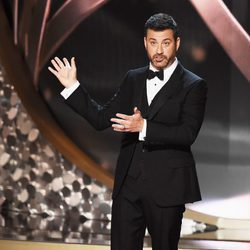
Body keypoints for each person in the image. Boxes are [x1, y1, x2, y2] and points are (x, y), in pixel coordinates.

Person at [48, 13, 207, 250]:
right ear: (145, 43)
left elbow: (187, 133)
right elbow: (102, 118)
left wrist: (143, 127)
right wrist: (73, 87)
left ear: (177, 43)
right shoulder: (133, 78)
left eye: (166, 42)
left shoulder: (193, 85)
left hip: (167, 188)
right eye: (153, 42)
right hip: (128, 189)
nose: (159, 50)